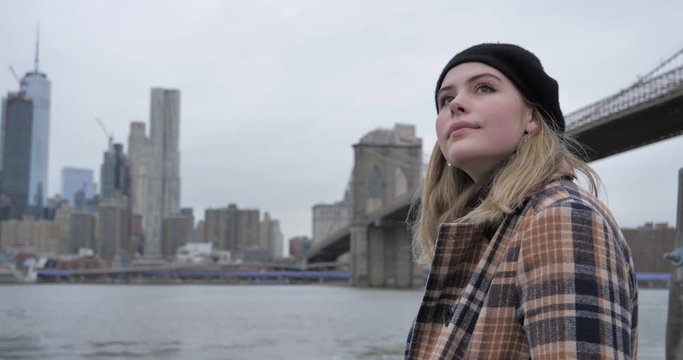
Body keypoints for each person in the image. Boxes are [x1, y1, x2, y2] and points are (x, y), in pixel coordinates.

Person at [404, 43, 638, 359]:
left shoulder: (562, 219)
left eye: (483, 88)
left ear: (532, 118)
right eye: (446, 99)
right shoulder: (486, 238)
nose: (456, 104)